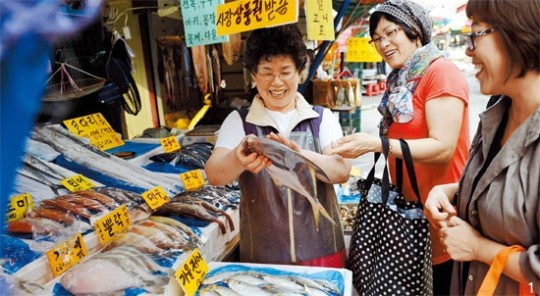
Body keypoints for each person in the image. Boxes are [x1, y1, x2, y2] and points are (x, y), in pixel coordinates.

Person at [329, 0, 470, 294]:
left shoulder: (439, 72)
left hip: (444, 215)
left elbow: (443, 147)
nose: (383, 43)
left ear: (415, 32)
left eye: (391, 32)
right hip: (411, 217)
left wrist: (377, 144)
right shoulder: (402, 82)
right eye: (377, 38)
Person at [204, 24, 351, 267]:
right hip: (264, 257)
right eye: (266, 72)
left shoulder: (321, 118)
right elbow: (215, 174)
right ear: (253, 75)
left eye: (285, 71)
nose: (276, 82)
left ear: (300, 73)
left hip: (323, 254)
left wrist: (298, 155)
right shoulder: (239, 121)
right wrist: (237, 160)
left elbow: (341, 170)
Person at [424, 0, 540, 295]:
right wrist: (451, 190)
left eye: (476, 34)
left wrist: (479, 248)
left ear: (518, 33)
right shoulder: (497, 112)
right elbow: (504, 189)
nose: (468, 50)